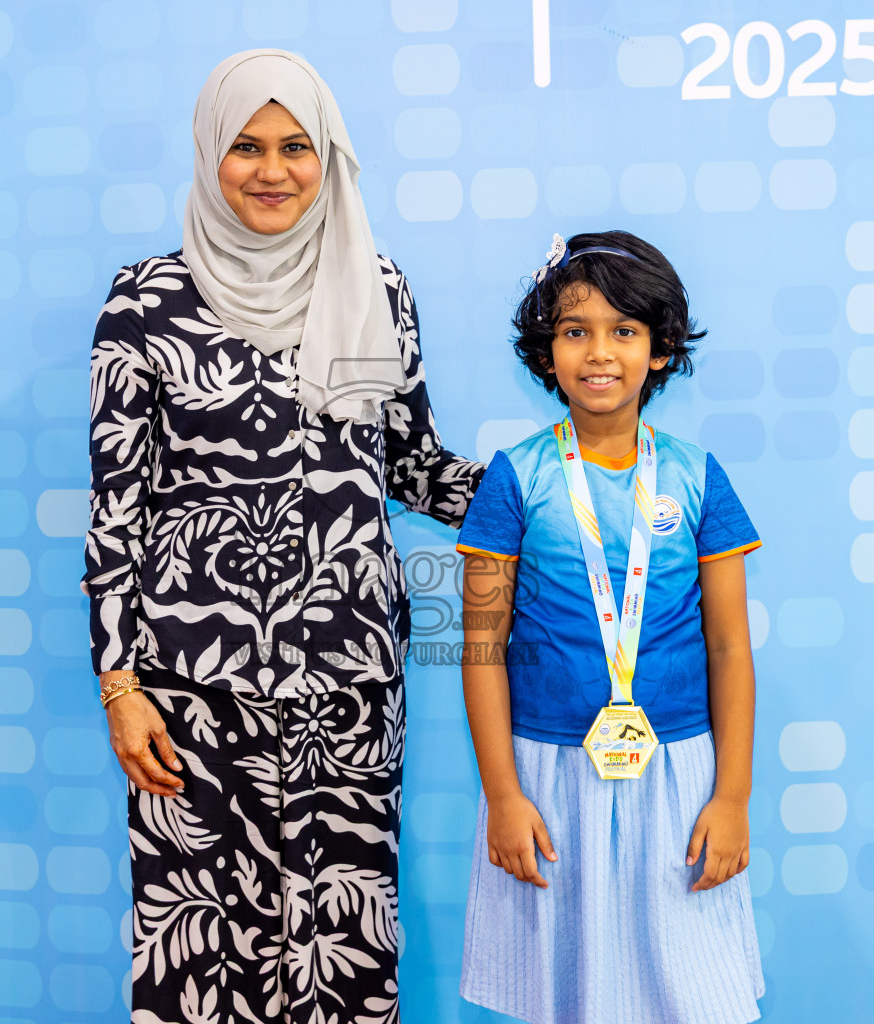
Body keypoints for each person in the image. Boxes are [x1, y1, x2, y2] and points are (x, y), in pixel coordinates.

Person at [82, 49, 483, 1024]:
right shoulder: (145, 302)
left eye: (296, 146)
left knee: (340, 945)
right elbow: (116, 512)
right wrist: (121, 685)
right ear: (210, 156)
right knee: (202, 951)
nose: (273, 170)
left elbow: (412, 465)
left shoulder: (376, 287)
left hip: (348, 688)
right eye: (247, 147)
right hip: (188, 692)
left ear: (328, 155)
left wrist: (561, 485)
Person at [455, 231, 765, 1023]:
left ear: (660, 351)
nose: (600, 352)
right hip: (549, 777)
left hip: (678, 773)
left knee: (683, 989)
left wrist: (731, 796)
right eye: (575, 331)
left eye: (625, 332)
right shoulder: (515, 477)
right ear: (546, 350)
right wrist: (502, 795)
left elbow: (729, 646)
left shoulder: (696, 477)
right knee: (574, 994)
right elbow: (482, 649)